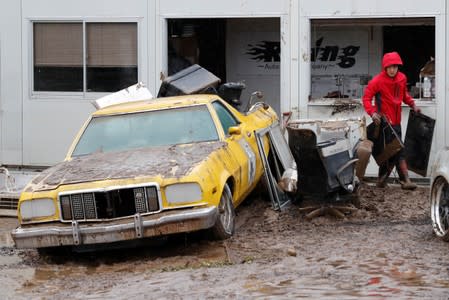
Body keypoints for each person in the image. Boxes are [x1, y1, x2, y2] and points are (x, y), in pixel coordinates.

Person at [362, 51, 420, 190]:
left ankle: (382, 181)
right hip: (383, 123)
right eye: (390, 67)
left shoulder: (402, 78)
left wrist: (413, 104)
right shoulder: (377, 81)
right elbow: (366, 99)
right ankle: (405, 180)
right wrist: (372, 113)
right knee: (397, 150)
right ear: (385, 67)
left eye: (395, 66)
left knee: (390, 152)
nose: (393, 69)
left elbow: (404, 94)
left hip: (397, 121)